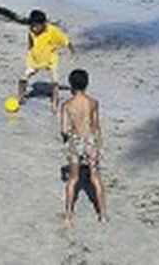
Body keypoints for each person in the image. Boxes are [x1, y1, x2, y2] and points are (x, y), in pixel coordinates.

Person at [61, 69, 107, 225]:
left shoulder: (67, 105)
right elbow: (96, 126)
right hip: (90, 141)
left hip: (75, 141)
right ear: (87, 84)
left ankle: (68, 215)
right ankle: (102, 215)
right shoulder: (93, 103)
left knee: (73, 179)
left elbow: (64, 129)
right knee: (95, 177)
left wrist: (67, 140)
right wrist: (100, 145)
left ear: (71, 85)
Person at [18, 9, 75, 114]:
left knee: (55, 83)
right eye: (32, 26)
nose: (34, 29)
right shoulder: (31, 31)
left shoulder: (52, 31)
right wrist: (29, 51)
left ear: (44, 24)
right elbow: (30, 41)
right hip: (35, 59)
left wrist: (73, 52)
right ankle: (20, 97)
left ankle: (54, 103)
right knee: (22, 79)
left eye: (37, 26)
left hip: (50, 60)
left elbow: (66, 41)